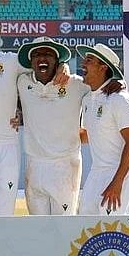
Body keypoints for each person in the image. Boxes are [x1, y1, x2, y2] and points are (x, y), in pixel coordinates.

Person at [0, 15, 67, 217]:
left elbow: (43, 69)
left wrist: (63, 66)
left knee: (3, 213)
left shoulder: (10, 60)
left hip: (6, 148)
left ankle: (0, 249)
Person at [16, 37, 90, 215]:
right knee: (38, 229)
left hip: (65, 165)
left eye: (48, 54)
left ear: (57, 61)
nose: (42, 58)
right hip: (34, 165)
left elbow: (107, 86)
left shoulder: (76, 84)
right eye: (37, 55)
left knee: (63, 228)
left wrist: (64, 67)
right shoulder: (22, 82)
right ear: (31, 62)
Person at [77, 44, 129, 215]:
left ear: (103, 67)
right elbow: (87, 136)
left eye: (89, 60)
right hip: (97, 171)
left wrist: (117, 182)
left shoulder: (119, 98)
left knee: (110, 231)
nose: (83, 63)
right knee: (83, 224)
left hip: (122, 173)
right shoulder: (87, 100)